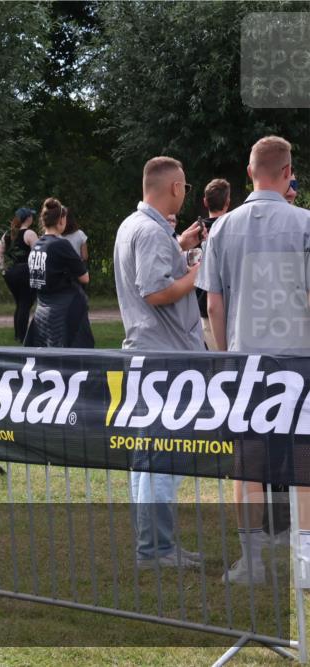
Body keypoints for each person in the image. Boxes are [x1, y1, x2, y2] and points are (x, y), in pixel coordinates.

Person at [196, 135, 310, 584]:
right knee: (304, 466)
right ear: (287, 173)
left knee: (249, 465)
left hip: (245, 363)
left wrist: (225, 356)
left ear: (249, 173)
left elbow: (214, 306)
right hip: (300, 362)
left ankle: (252, 561)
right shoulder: (305, 224)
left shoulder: (222, 228)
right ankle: (305, 563)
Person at [113, 156, 206, 569]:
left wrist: (180, 248)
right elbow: (155, 290)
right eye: (185, 188)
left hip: (151, 356)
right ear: (174, 187)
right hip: (163, 361)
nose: (186, 194)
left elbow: (154, 273)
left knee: (149, 458)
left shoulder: (138, 227)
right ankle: (156, 550)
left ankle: (156, 544)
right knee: (159, 458)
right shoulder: (150, 232)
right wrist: (198, 272)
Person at [24, 198, 93, 348]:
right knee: (74, 363)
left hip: (42, 311)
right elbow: (85, 277)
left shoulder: (37, 245)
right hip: (65, 313)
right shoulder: (61, 244)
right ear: (61, 220)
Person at [194, 179, 231, 350]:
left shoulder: (191, 234)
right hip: (228, 311)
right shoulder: (231, 231)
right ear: (227, 202)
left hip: (199, 312)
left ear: (205, 202)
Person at [0, 207, 39, 342]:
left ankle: (18, 335)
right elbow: (38, 254)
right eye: (32, 216)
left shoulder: (8, 234)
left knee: (20, 304)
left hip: (11, 273)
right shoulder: (30, 234)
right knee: (25, 304)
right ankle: (22, 336)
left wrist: (3, 269)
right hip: (26, 272)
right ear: (28, 218)